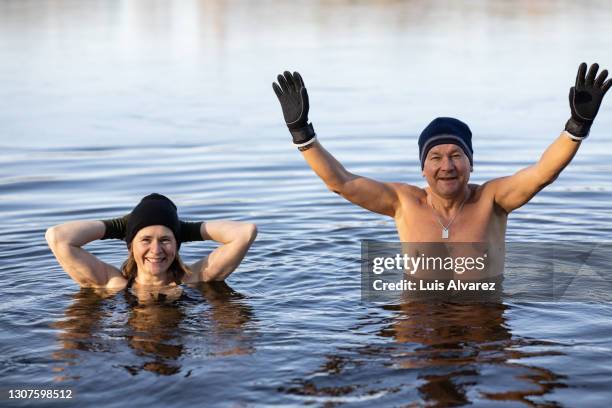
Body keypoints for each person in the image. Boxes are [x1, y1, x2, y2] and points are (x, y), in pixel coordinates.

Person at [273, 63, 610, 278]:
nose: (446, 166)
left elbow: (541, 173)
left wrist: (577, 125)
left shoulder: (492, 200)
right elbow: (342, 183)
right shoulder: (403, 202)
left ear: (471, 164)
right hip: (418, 320)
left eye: (456, 156)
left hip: (483, 321)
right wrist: (302, 133)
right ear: (423, 169)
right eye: (435, 157)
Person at [45, 193, 257, 290]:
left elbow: (245, 232)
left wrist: (181, 229)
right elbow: (57, 236)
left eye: (165, 240)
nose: (156, 250)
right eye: (145, 240)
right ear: (130, 245)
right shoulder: (113, 284)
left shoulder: (195, 279)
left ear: (177, 243)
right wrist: (121, 227)